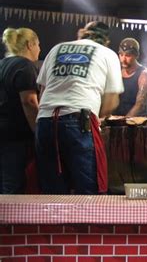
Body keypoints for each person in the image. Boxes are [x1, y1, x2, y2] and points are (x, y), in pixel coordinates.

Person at [35, 21, 124, 194]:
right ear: (106, 40)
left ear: (81, 33)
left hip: (45, 122)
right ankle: (86, 222)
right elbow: (112, 101)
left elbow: (43, 92)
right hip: (79, 123)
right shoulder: (107, 53)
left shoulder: (56, 49)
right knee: (88, 193)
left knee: (52, 193)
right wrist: (100, 116)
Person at [0, 28, 41, 194]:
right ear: (30, 45)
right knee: (13, 186)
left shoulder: (2, 64)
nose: (40, 49)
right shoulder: (25, 66)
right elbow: (29, 101)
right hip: (16, 136)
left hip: (2, 133)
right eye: (38, 44)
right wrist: (38, 132)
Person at [113, 38, 147, 117]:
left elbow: (140, 104)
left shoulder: (144, 74)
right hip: (116, 119)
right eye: (121, 54)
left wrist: (123, 121)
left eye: (128, 55)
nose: (123, 59)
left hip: (136, 123)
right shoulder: (116, 72)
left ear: (136, 55)